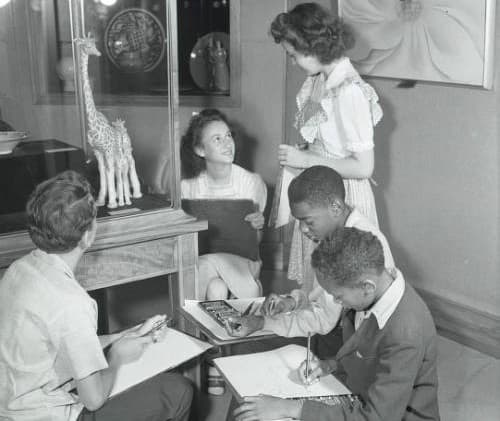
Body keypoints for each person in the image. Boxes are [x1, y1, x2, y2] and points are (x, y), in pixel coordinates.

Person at [0, 170, 193, 421]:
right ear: (88, 234)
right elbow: (93, 400)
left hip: (12, 404)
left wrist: (121, 336)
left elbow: (62, 342)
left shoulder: (19, 269)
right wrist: (116, 356)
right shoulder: (73, 302)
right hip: (45, 415)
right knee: (177, 391)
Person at [232, 227, 440, 421]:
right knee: (249, 403)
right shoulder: (376, 291)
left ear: (367, 287)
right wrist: (330, 364)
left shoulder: (406, 332)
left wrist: (292, 408)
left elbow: (377, 417)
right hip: (361, 395)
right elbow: (364, 346)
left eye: (338, 297)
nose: (337, 303)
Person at [225, 166, 394, 359]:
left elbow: (323, 319)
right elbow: (321, 295)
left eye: (308, 221)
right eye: (299, 222)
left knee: (247, 349)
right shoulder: (334, 233)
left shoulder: (355, 245)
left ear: (336, 207)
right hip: (335, 332)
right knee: (249, 344)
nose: (303, 229)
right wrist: (291, 301)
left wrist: (262, 322)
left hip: (348, 348)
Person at [270, 2, 383, 289]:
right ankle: (317, 332)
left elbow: (364, 166)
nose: (293, 62)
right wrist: (307, 151)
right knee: (319, 285)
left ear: (313, 46)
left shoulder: (349, 91)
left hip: (342, 198)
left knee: (341, 280)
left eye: (293, 55)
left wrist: (307, 160)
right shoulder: (321, 80)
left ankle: (336, 333)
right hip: (321, 190)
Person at [180, 108, 267, 301]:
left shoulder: (251, 182)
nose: (228, 144)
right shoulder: (187, 188)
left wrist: (257, 226)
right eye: (217, 139)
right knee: (216, 288)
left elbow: (256, 242)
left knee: (205, 265)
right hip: (203, 262)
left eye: (228, 136)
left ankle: (188, 321)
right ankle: (245, 302)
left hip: (243, 264)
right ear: (200, 150)